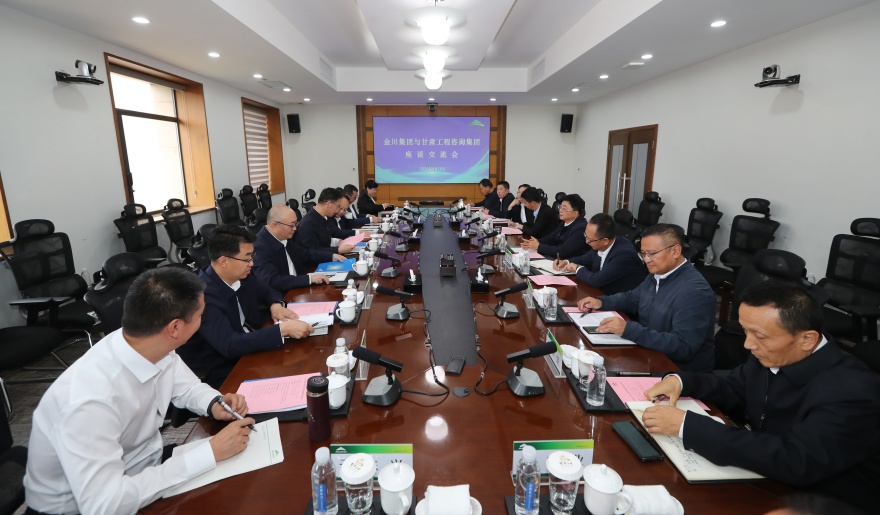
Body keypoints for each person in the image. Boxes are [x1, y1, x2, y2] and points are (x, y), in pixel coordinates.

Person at [24, 267, 255, 515]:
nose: (203, 320)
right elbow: (104, 505)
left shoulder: (149, 343)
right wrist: (208, 453)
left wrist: (214, 403)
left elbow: (187, 387)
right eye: (201, 314)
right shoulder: (89, 401)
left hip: (143, 464)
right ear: (175, 328)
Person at [643, 283, 880, 513]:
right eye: (746, 331)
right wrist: (682, 381)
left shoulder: (853, 392)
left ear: (807, 339)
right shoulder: (775, 354)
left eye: (760, 336)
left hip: (825, 502)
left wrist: (688, 426)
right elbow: (735, 388)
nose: (748, 344)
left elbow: (796, 461)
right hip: (767, 478)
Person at [178, 224, 313, 388]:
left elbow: (267, 291)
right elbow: (229, 344)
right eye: (247, 258)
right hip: (224, 370)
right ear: (224, 261)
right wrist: (281, 330)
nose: (252, 263)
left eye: (252, 256)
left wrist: (275, 305)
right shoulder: (203, 296)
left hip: (250, 347)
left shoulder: (241, 275)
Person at [576, 224, 715, 372]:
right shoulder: (658, 274)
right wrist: (601, 302)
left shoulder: (694, 291)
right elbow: (632, 298)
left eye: (652, 253)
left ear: (675, 251)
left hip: (677, 371)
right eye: (643, 253)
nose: (646, 260)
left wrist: (629, 330)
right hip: (650, 352)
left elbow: (683, 346)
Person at [252, 205, 339, 294]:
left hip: (298, 287)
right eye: (291, 225)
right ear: (275, 225)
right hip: (283, 295)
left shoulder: (284, 236)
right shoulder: (259, 247)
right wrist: (309, 279)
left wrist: (331, 256)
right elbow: (273, 280)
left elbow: (305, 254)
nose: (295, 228)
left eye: (295, 224)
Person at [554, 213, 647, 295]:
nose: (586, 241)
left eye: (590, 239)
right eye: (585, 235)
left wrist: (577, 268)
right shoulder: (600, 244)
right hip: (601, 293)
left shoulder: (624, 254)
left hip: (621, 302)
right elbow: (585, 259)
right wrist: (566, 262)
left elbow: (596, 280)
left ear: (605, 241)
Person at [519, 193, 589, 259]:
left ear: (575, 213)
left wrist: (539, 246)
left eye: (564, 209)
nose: (560, 210)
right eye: (560, 207)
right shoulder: (564, 223)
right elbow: (552, 238)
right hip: (559, 259)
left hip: (570, 263)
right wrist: (535, 242)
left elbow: (563, 251)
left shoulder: (580, 228)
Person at [296, 187, 361, 255]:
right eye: (338, 206)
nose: (337, 210)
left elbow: (325, 240)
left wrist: (338, 242)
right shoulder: (307, 223)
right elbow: (312, 251)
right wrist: (338, 250)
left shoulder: (323, 217)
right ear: (329, 204)